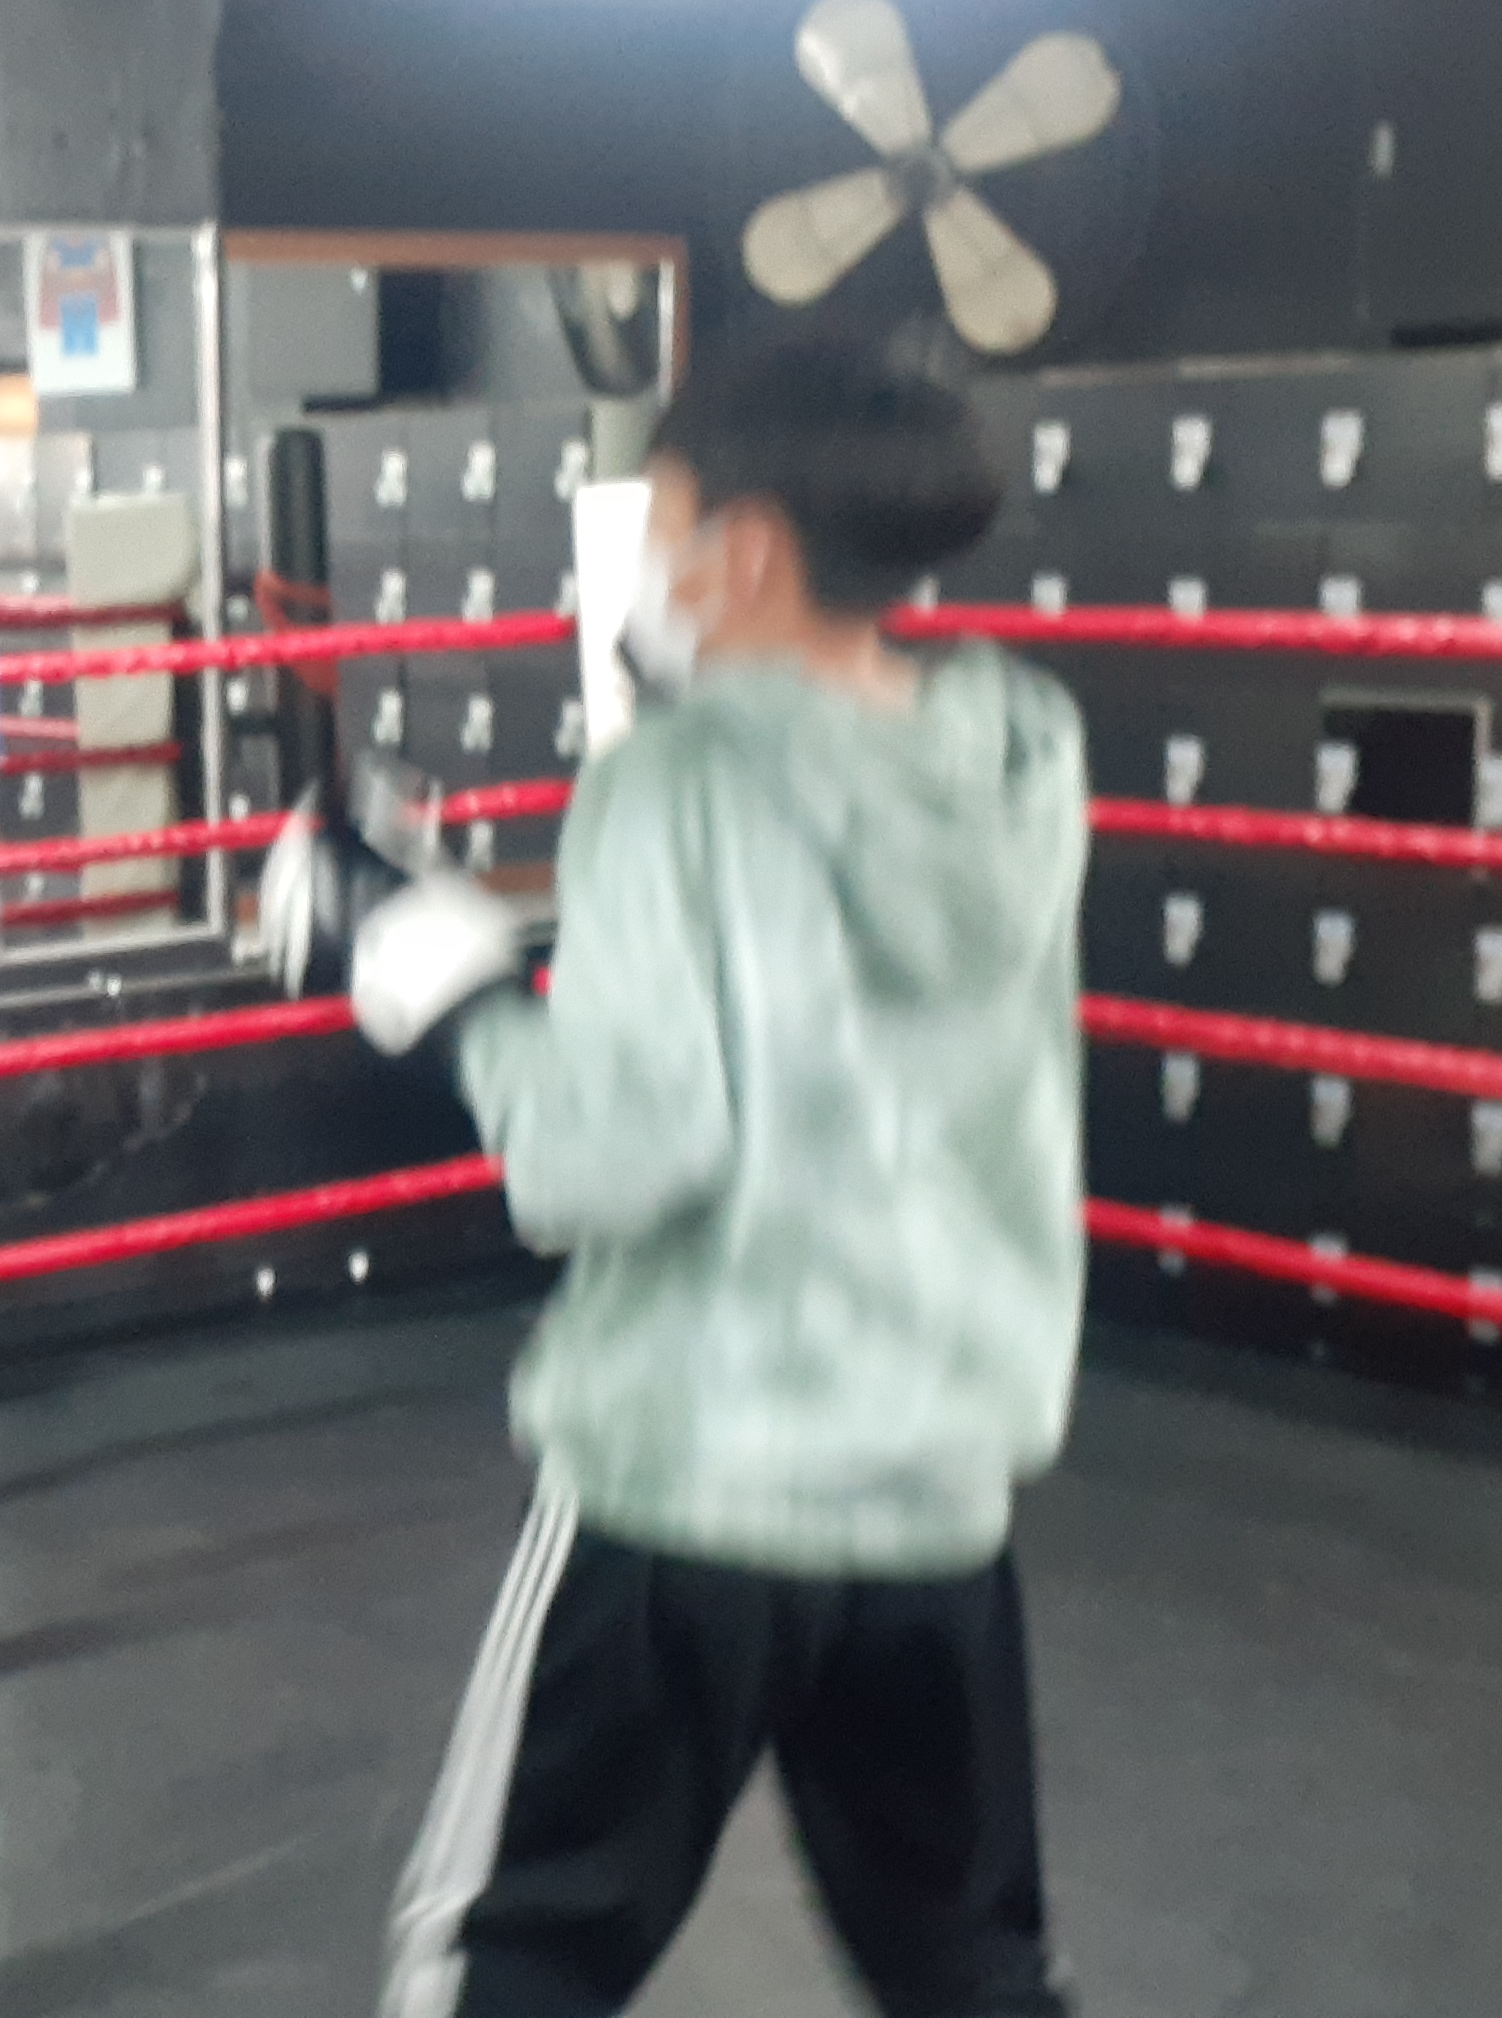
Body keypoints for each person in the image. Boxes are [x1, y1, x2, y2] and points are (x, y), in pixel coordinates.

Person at [276, 335, 1090, 2018]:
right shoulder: (1015, 761)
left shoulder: (676, 781)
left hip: (688, 1488)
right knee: (975, 1976)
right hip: (933, 1487)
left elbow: (612, 1153)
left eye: (658, 523)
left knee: (506, 1955)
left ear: (749, 550)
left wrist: (457, 1003)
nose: (640, 562)